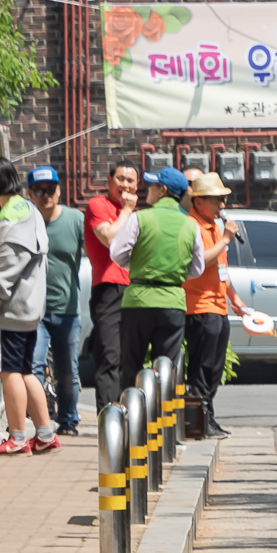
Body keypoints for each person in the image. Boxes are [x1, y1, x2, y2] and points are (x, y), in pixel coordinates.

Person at [0, 159, 53, 455]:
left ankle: (17, 437)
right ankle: (44, 433)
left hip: (10, 310)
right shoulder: (27, 208)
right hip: (27, 307)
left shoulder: (13, 217)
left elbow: (5, 269)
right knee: (24, 370)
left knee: (8, 372)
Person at [110, 166, 202, 396]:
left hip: (138, 301)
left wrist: (139, 267)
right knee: (166, 370)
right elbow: (197, 268)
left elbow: (116, 252)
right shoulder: (191, 224)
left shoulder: (141, 217)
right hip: (172, 302)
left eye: (151, 186)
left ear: (163, 190)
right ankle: (162, 424)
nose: (147, 190)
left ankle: (130, 423)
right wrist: (173, 274)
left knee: (131, 366)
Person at [29, 166, 87, 440]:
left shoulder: (75, 219)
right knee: (33, 365)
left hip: (67, 308)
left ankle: (68, 420)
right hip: (34, 311)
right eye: (39, 191)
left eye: (50, 189)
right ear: (30, 194)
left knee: (68, 371)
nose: (45, 195)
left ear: (59, 190)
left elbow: (98, 250)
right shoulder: (27, 223)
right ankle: (39, 421)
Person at [178, 172, 234, 441]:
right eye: (216, 200)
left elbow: (221, 266)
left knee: (214, 367)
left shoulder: (214, 226)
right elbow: (199, 264)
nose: (222, 206)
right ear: (198, 201)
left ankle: (206, 417)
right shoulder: (192, 226)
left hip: (218, 306)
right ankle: (199, 421)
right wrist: (225, 240)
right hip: (199, 307)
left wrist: (235, 298)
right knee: (201, 368)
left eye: (223, 199)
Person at [84, 163, 139, 412]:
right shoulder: (98, 205)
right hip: (108, 288)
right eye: (120, 179)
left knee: (131, 358)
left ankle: (129, 416)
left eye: (130, 180)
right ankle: (108, 418)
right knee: (110, 356)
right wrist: (126, 211)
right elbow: (109, 238)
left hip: (134, 289)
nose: (125, 185)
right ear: (109, 180)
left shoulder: (137, 214)